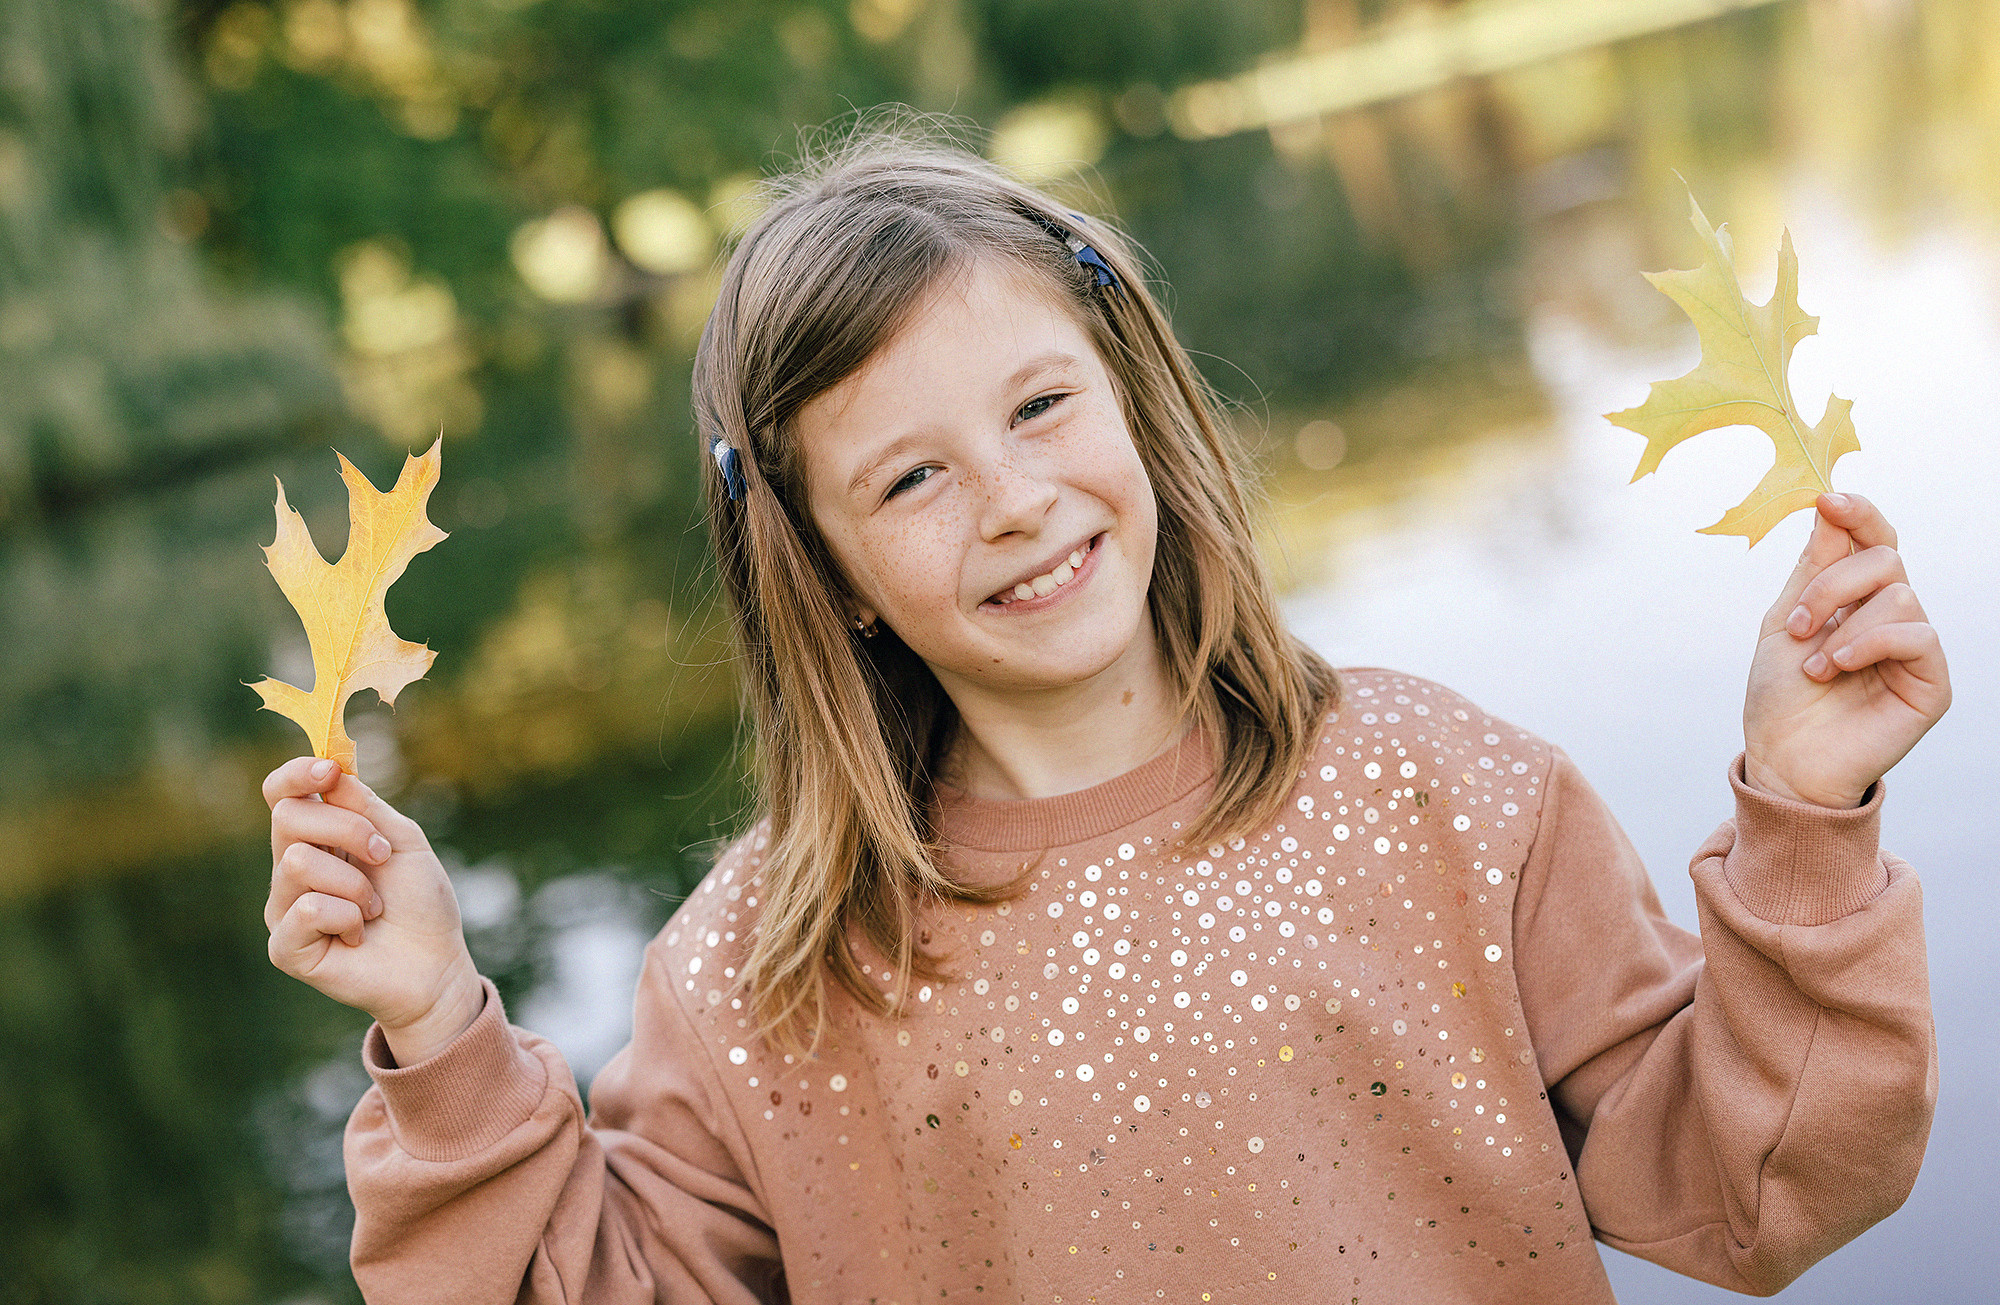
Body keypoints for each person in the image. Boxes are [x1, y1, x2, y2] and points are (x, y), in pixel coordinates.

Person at [260, 117, 1948, 1304]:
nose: (1014, 500)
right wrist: (441, 1027)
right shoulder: (762, 972)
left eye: (1040, 406)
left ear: (1130, 399)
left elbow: (1760, 1184)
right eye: (910, 477)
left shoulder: (1442, 792)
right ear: (829, 571)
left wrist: (1805, 815)